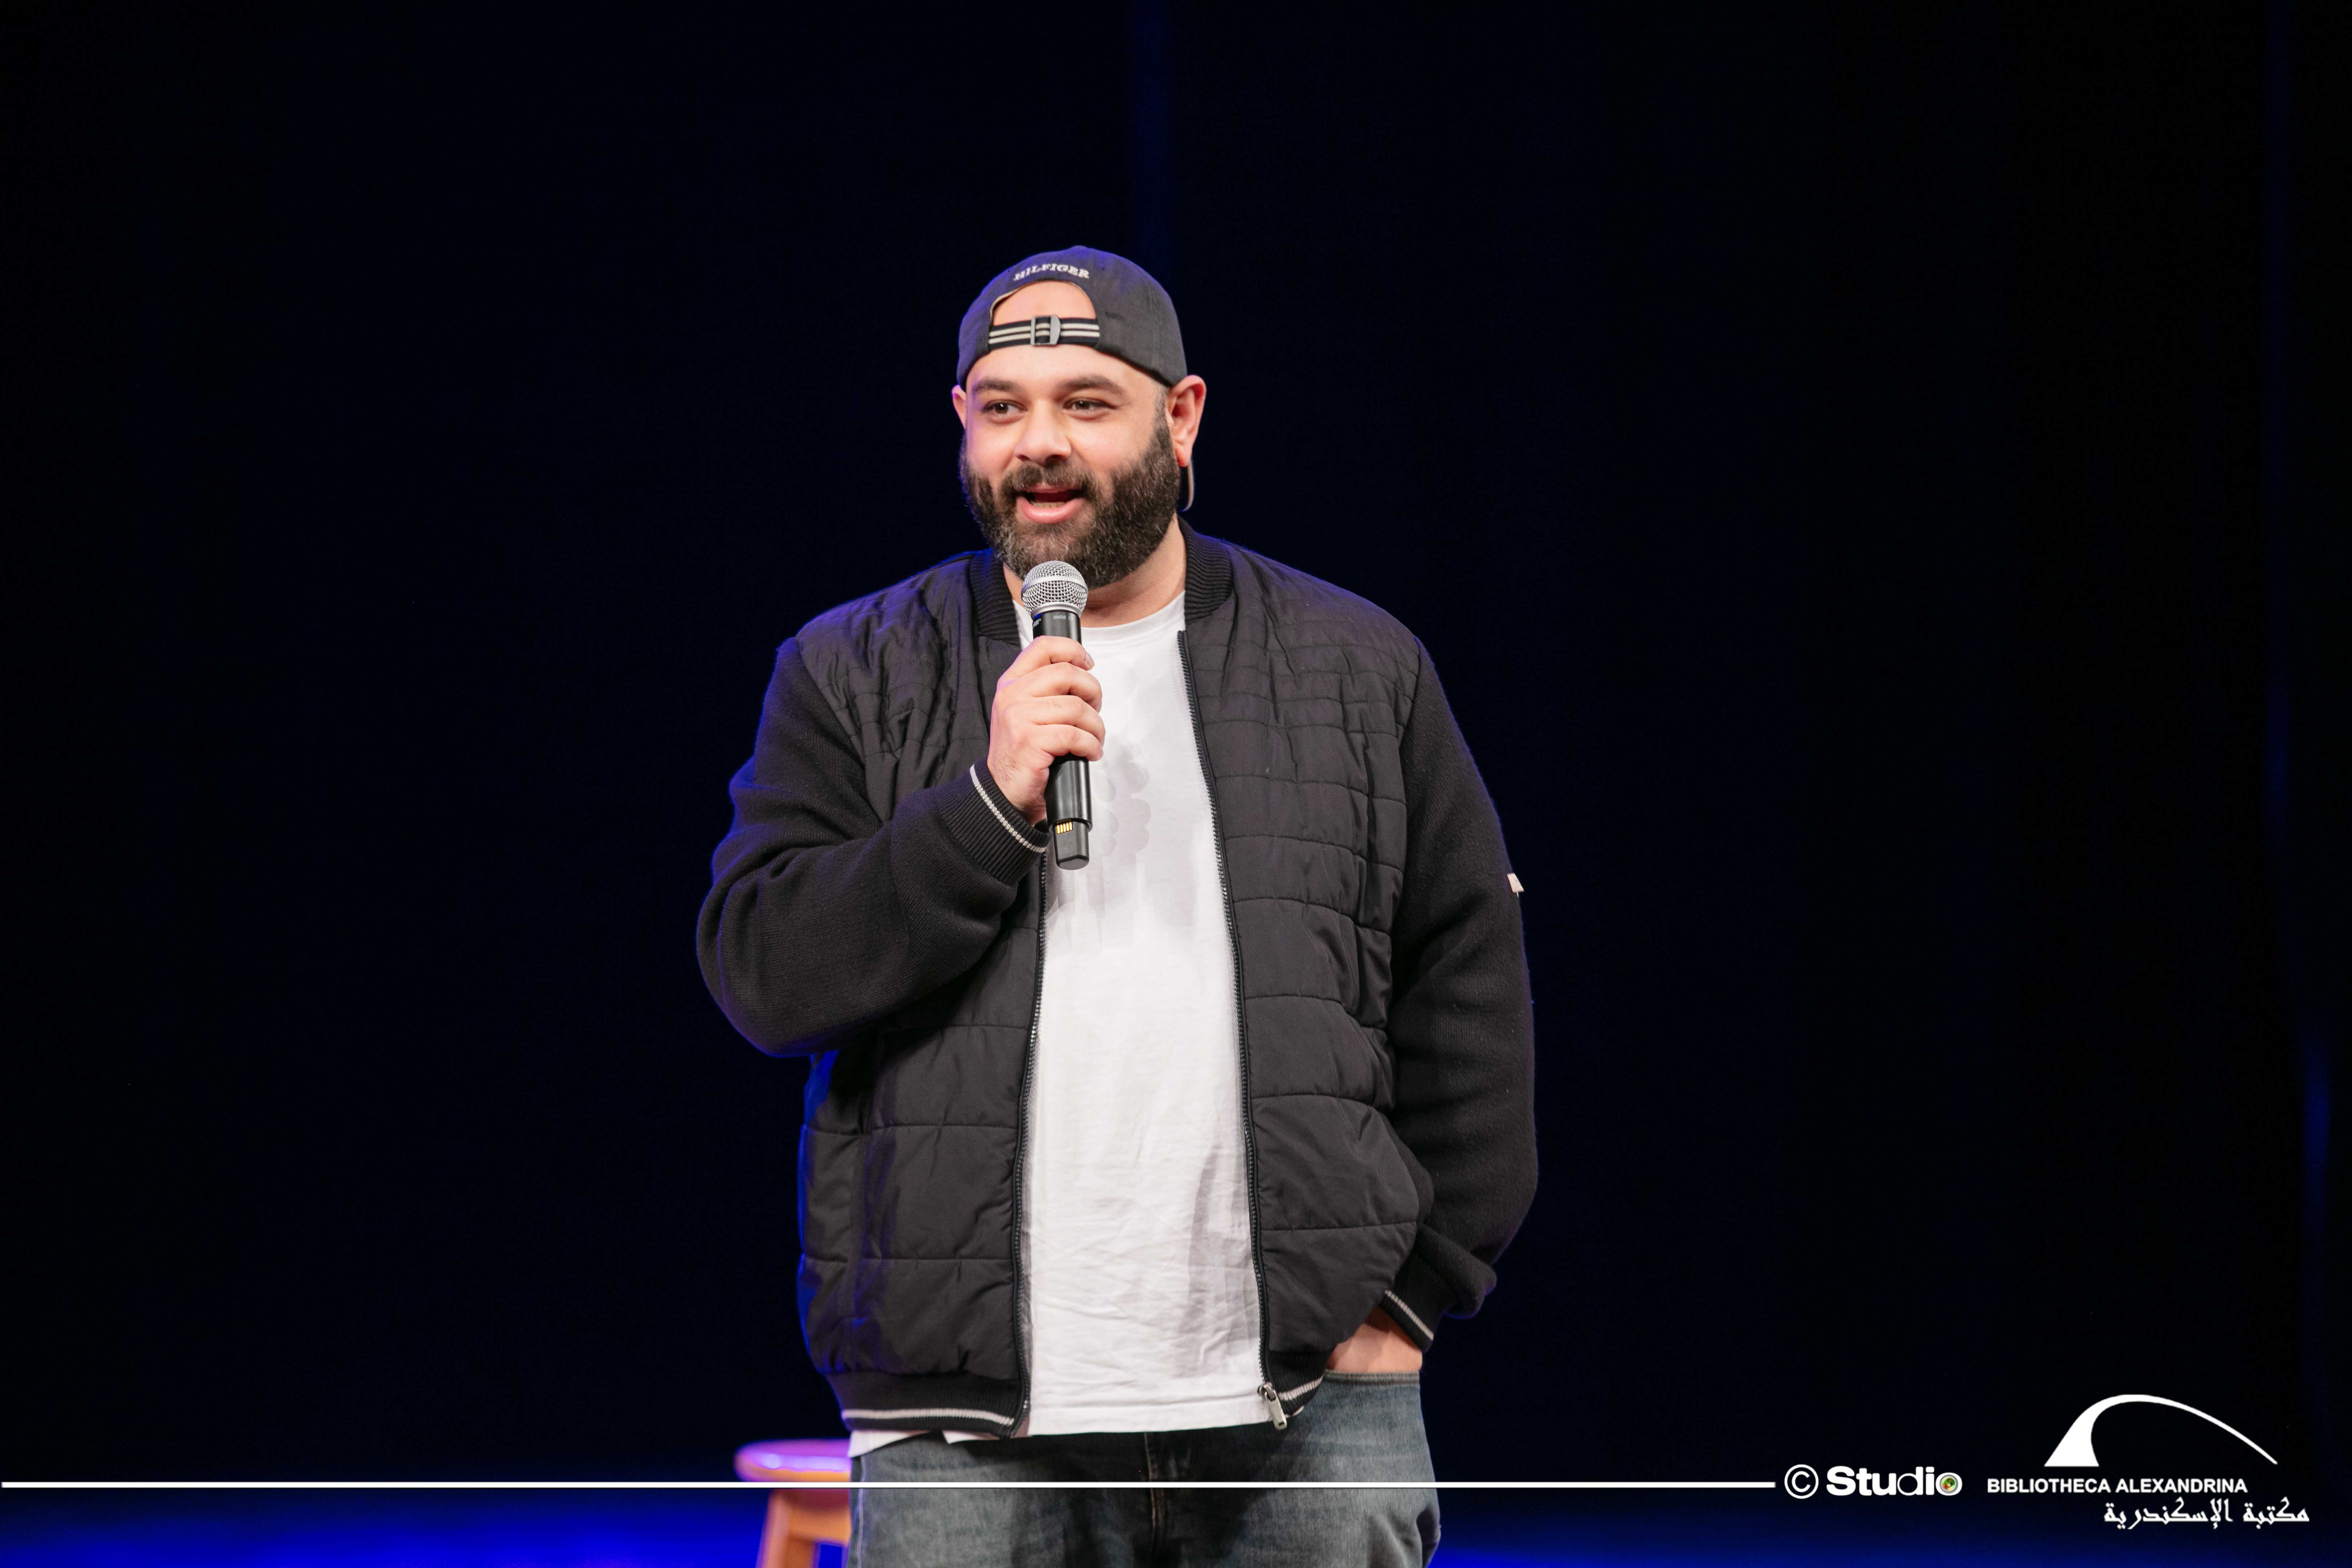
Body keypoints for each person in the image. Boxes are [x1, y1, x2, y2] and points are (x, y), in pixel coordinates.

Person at [698, 246, 1536, 1566]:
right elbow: (766, 974)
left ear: (1182, 418)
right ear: (963, 423)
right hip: (959, 1420)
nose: (1040, 443)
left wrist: (1413, 1302)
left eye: (1087, 403)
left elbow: (1468, 987)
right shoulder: (851, 670)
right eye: (1003, 407)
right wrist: (986, 807)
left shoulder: (1357, 667)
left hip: (1307, 1402)